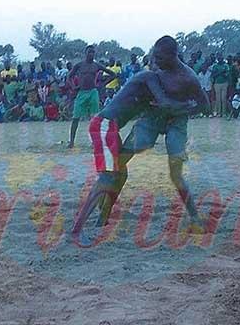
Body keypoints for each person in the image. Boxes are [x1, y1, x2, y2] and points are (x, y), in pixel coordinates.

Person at [71, 36, 209, 239]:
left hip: (172, 121)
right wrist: (179, 106)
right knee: (111, 174)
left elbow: (203, 105)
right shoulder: (150, 76)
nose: (154, 62)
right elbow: (162, 102)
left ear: (172, 56)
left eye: (158, 58)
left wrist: (183, 109)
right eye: (153, 58)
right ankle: (79, 227)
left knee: (162, 173)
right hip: (129, 122)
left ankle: (102, 218)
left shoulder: (185, 77)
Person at [67, 45, 116, 148]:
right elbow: (69, 76)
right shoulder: (79, 65)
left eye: (93, 52)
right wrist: (73, 87)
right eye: (89, 52)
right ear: (85, 53)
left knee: (95, 118)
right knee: (76, 117)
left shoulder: (96, 65)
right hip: (81, 93)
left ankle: (96, 142)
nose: (91, 54)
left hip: (93, 92)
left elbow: (113, 74)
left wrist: (102, 84)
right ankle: (71, 142)